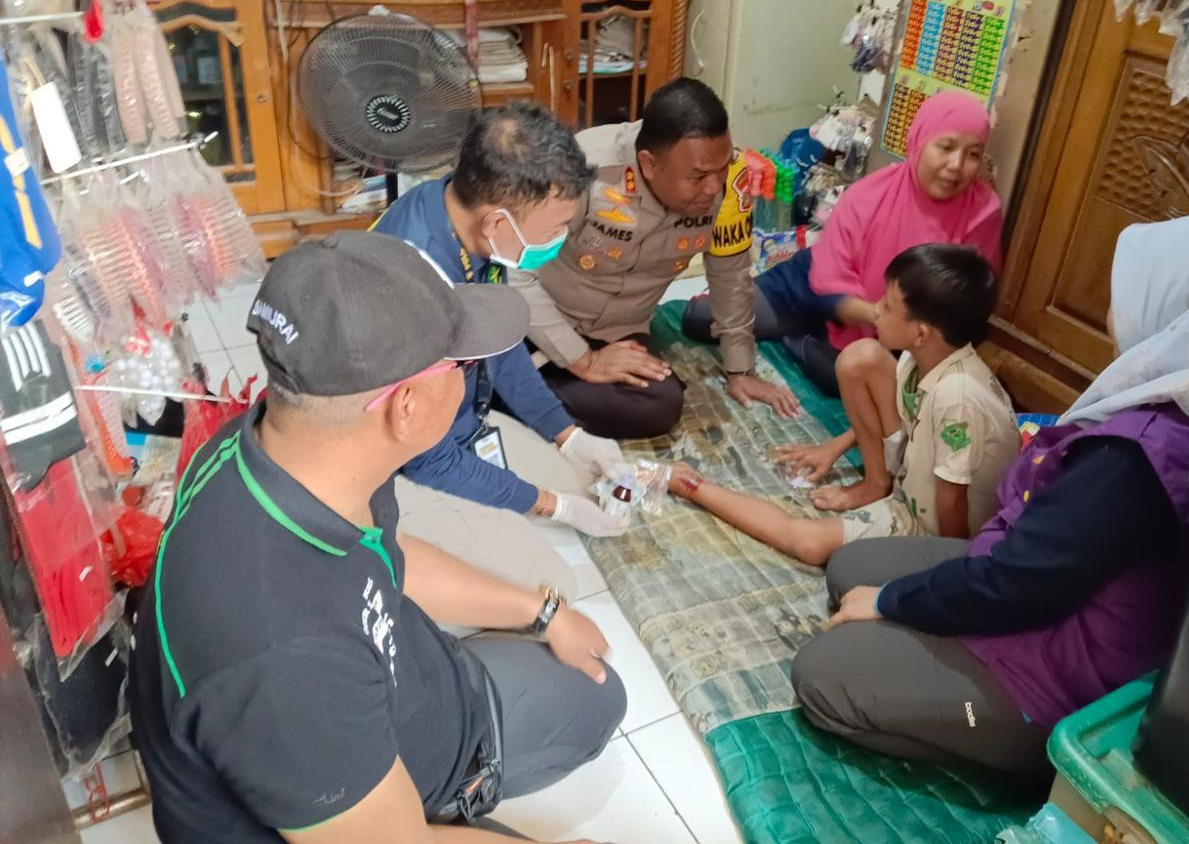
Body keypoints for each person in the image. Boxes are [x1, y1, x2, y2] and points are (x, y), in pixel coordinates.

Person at [128, 233, 627, 844]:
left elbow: (386, 560)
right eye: (462, 365)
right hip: (384, 784)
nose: (472, 377)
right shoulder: (281, 659)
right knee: (595, 712)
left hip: (413, 693)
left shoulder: (287, 446)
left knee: (598, 694)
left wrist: (543, 611)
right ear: (407, 407)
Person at [786, 217, 1189, 777]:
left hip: (1047, 680)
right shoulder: (1182, 405)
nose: (1112, 311)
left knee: (823, 673)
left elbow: (1017, 587)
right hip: (1043, 595)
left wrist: (889, 604)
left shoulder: (1135, 456)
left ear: (1176, 314)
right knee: (853, 567)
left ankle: (1006, 746)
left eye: (1123, 292)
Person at [371, 102, 632, 540]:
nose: (559, 240)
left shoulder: (461, 215)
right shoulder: (414, 288)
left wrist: (567, 435)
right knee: (544, 577)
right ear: (496, 221)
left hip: (459, 417)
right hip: (402, 464)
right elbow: (425, 456)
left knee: (578, 482)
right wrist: (555, 507)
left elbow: (499, 339)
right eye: (555, 229)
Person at [666, 244, 1019, 567]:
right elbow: (912, 414)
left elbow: (953, 501)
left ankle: (691, 485)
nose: (875, 309)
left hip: (936, 528)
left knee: (808, 542)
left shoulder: (957, 399)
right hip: (918, 475)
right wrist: (834, 447)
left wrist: (946, 570)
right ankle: (874, 483)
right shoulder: (924, 358)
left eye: (888, 306)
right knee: (859, 357)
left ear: (921, 333)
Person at [511, 77, 800, 441]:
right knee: (476, 335)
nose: (714, 187)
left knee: (661, 404)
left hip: (617, 334)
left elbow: (731, 277)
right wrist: (583, 361)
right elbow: (516, 272)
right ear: (649, 164)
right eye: (697, 176)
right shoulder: (580, 168)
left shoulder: (728, 186)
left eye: (722, 168)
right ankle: (517, 380)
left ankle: (510, 391)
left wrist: (740, 369)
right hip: (539, 319)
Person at [684, 90, 1004, 399]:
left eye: (973, 154)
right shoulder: (869, 195)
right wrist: (881, 317)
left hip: (897, 329)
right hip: (818, 289)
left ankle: (798, 338)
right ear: (918, 142)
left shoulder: (982, 212)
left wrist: (897, 326)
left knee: (854, 379)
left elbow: (966, 301)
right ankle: (803, 328)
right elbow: (828, 280)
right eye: (945, 147)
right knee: (701, 319)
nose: (957, 165)